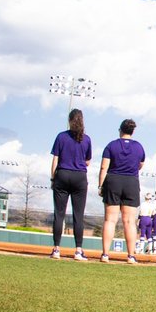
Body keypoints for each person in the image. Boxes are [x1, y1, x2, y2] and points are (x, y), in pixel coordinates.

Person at [97, 119, 145, 264]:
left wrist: (101, 185)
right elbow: (140, 165)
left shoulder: (111, 145)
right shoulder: (139, 147)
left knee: (110, 219)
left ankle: (105, 254)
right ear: (133, 131)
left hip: (113, 181)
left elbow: (104, 167)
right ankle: (131, 256)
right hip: (131, 182)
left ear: (120, 130)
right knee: (129, 221)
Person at [49, 108, 91, 261]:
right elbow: (87, 162)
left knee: (59, 214)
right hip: (79, 177)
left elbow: (55, 160)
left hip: (62, 174)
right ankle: (78, 250)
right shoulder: (86, 139)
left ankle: (56, 249)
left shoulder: (61, 136)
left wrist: (53, 178)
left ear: (69, 120)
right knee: (78, 215)